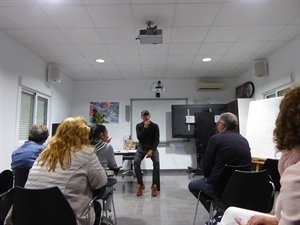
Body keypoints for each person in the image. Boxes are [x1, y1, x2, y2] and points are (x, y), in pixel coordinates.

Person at [219, 85, 300, 225]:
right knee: (232, 212)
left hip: (223, 186)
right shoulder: (242, 139)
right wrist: (273, 220)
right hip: (241, 181)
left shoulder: (295, 175)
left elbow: (206, 166)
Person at [5, 116, 107, 225]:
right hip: (63, 217)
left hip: (27, 215)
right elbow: (100, 184)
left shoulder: (45, 153)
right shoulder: (86, 153)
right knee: (96, 206)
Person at [188, 112, 252, 221]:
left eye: (217, 124)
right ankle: (221, 210)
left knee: (192, 185)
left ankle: (219, 210)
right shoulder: (244, 140)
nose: (217, 126)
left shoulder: (216, 139)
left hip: (218, 186)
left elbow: (205, 167)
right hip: (240, 187)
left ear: (222, 125)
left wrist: (208, 177)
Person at [89, 124, 121, 225]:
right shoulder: (107, 147)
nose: (108, 135)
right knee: (110, 186)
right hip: (98, 188)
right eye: (106, 133)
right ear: (102, 134)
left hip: (85, 187)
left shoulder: (85, 146)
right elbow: (113, 165)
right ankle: (107, 214)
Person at [134, 110, 160, 197]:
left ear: (150, 116)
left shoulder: (155, 126)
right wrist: (145, 127)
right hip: (142, 147)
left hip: (152, 147)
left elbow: (157, 140)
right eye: (144, 116)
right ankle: (140, 185)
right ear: (141, 117)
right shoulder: (138, 126)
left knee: (156, 162)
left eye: (147, 115)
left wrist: (151, 150)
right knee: (136, 162)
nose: (146, 117)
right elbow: (140, 138)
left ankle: (154, 185)